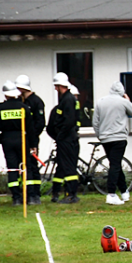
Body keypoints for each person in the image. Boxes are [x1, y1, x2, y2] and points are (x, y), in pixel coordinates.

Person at [92, 81, 132, 205]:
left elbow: (95, 122)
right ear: (122, 92)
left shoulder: (101, 102)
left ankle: (124, 191)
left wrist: (100, 135)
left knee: (115, 164)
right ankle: (111, 194)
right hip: (119, 138)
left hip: (105, 139)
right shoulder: (123, 102)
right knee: (115, 165)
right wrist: (128, 101)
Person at [0, 82, 34, 205]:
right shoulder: (23, 107)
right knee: (26, 167)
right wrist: (33, 144)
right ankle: (29, 196)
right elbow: (30, 128)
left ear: (5, 95)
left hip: (7, 140)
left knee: (12, 168)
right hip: (22, 138)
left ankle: (16, 197)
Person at [47, 72, 81, 204]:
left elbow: (68, 121)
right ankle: (66, 193)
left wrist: (60, 137)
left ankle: (71, 194)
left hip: (66, 139)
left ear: (61, 85)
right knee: (64, 166)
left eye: (56, 86)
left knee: (68, 167)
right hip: (67, 138)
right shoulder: (67, 99)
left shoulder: (67, 100)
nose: (55, 88)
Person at [16, 75, 46, 204]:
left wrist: (32, 137)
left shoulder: (36, 102)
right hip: (20, 139)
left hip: (31, 140)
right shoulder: (20, 101)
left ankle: (35, 194)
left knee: (32, 166)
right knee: (22, 166)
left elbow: (40, 123)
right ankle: (25, 193)